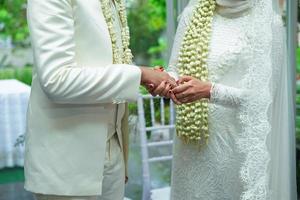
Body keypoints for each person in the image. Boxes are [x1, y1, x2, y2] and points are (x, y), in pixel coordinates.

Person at [24, 0, 175, 199]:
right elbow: (56, 80)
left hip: (114, 147)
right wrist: (139, 75)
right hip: (68, 160)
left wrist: (141, 77)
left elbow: (99, 60)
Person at [151, 0, 297, 199]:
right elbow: (175, 70)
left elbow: (264, 98)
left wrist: (210, 91)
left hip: (237, 149)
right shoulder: (192, 14)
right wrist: (165, 82)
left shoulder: (269, 23)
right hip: (192, 146)